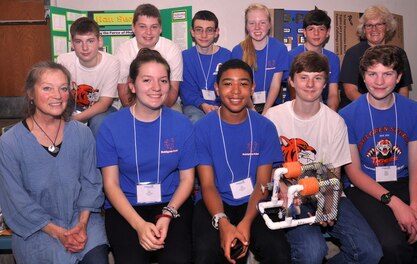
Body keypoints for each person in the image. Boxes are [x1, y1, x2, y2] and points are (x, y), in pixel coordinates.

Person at [265, 51, 382, 264]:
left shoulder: (336, 122)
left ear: (325, 83)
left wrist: (328, 204)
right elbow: (266, 167)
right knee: (312, 251)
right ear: (291, 81)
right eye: (304, 77)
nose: (310, 84)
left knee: (369, 252)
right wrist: (282, 188)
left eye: (317, 78)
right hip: (289, 194)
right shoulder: (273, 116)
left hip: (324, 189)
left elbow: (334, 174)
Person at [0, 61, 108, 263]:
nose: (57, 96)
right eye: (47, 88)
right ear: (31, 93)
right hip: (37, 228)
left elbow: (92, 183)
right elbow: (15, 200)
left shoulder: (81, 133)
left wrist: (82, 224)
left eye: (63, 88)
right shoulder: (10, 143)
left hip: (82, 221)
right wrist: (57, 232)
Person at [96, 48, 196, 264]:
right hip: (126, 206)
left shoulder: (182, 125)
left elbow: (187, 180)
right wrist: (139, 225)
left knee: (178, 259)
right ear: (132, 85)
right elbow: (111, 184)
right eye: (147, 80)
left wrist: (167, 214)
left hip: (172, 203)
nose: (156, 88)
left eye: (163, 80)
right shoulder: (111, 127)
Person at [192, 59, 291, 264]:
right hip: (215, 202)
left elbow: (263, 184)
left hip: (255, 201)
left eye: (243, 84)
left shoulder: (265, 127)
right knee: (205, 253)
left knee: (278, 252)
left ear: (252, 88)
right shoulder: (202, 128)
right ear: (217, 89)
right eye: (228, 83)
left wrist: (245, 222)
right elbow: (208, 185)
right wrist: (224, 223)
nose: (236, 91)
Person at [340, 45, 417, 264]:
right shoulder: (347, 115)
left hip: (403, 179)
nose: (379, 82)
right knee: (392, 244)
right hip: (365, 187)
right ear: (363, 77)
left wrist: (415, 208)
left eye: (387, 73)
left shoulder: (413, 110)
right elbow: (354, 173)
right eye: (372, 74)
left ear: (399, 77)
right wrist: (397, 205)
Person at [339, 5, 413, 109]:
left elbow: (403, 90)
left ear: (387, 27)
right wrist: (375, 110)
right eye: (369, 25)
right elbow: (350, 91)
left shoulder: (399, 54)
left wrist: (397, 110)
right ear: (364, 29)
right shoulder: (353, 53)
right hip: (360, 109)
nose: (374, 29)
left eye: (379, 24)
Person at [57, 17, 120, 137]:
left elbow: (104, 103)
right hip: (74, 106)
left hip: (104, 108)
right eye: (79, 42)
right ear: (72, 43)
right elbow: (59, 95)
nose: (85, 48)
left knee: (99, 121)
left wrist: (76, 118)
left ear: (99, 41)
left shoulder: (112, 62)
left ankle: (97, 155)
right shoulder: (63, 60)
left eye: (90, 41)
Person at [115, 3, 182, 111]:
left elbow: (173, 91)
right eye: (142, 27)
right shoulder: (123, 50)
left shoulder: (172, 49)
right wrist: (143, 113)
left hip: (165, 103)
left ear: (160, 29)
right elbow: (124, 94)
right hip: (132, 104)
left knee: (175, 115)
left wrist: (152, 110)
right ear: (133, 27)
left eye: (154, 27)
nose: (148, 32)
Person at [231, 3, 289, 115]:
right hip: (244, 106)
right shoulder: (238, 51)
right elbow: (240, 85)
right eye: (252, 23)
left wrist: (266, 111)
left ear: (269, 25)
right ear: (247, 26)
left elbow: (275, 84)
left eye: (262, 22)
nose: (257, 27)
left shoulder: (280, 49)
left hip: (271, 106)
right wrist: (252, 110)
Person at [180, 10, 231, 124]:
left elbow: (230, 88)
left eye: (209, 30)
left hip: (222, 105)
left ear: (216, 32)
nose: (204, 35)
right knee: (197, 121)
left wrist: (219, 106)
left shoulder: (227, 56)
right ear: (192, 32)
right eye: (199, 30)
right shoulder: (185, 57)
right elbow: (187, 91)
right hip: (195, 106)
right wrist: (203, 105)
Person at [287, 8, 340, 111]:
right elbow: (292, 90)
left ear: (328, 32)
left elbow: (333, 94)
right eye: (311, 29)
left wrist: (330, 116)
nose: (316, 33)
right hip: (295, 111)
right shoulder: (292, 56)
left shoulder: (333, 59)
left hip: (321, 110)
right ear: (305, 32)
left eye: (321, 29)